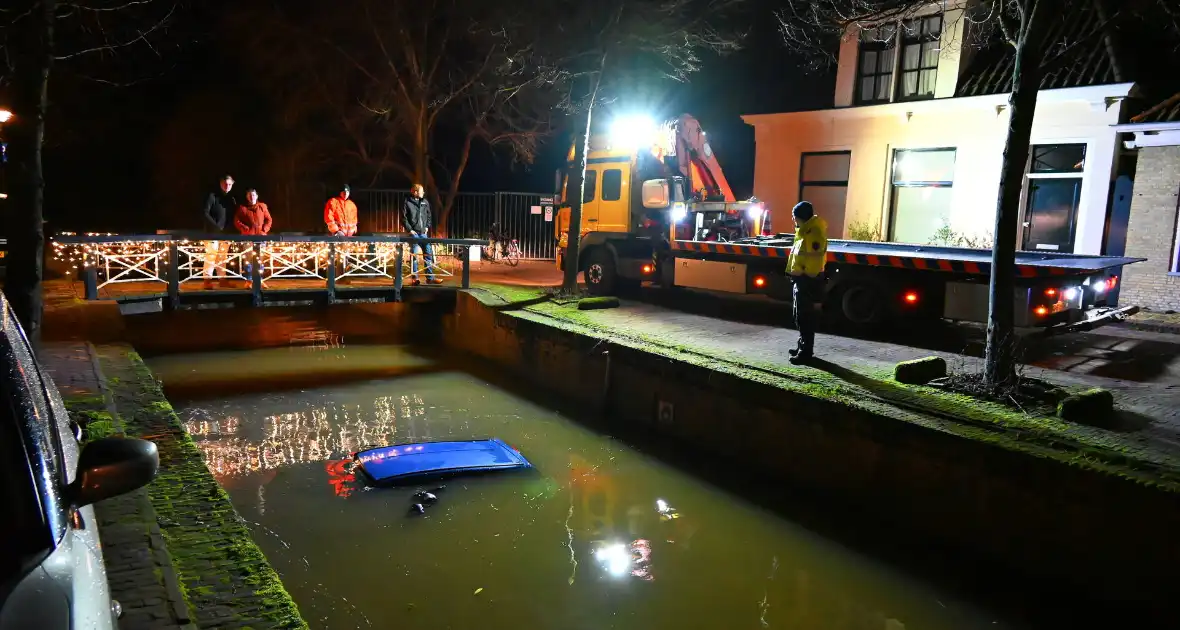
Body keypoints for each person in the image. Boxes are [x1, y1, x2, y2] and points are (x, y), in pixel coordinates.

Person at [786, 201, 828, 364]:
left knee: (805, 317)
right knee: (800, 316)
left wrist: (804, 275)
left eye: (794, 217)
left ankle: (805, 353)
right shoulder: (805, 231)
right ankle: (801, 346)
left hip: (807, 280)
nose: (793, 220)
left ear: (801, 217)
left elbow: (814, 261)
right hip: (802, 278)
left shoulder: (813, 232)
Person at [201, 175, 237, 290]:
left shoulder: (231, 199)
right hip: (212, 232)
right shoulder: (212, 196)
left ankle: (222, 279)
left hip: (226, 233)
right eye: (225, 184)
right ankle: (207, 281)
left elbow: (234, 216)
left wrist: (231, 229)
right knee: (211, 255)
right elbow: (205, 212)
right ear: (220, 183)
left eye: (230, 184)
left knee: (222, 257)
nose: (227, 186)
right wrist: (215, 227)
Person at [403, 184, 442, 285]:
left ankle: (430, 278)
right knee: (414, 255)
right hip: (414, 233)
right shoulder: (407, 202)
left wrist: (427, 227)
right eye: (421, 191)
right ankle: (414, 278)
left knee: (428, 254)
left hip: (423, 233)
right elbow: (404, 218)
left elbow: (429, 215)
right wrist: (410, 230)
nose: (423, 193)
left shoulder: (425, 202)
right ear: (415, 192)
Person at [235, 188, 273, 288]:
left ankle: (259, 280)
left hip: (261, 237)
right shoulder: (242, 208)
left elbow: (269, 219)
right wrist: (245, 228)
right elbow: (237, 221)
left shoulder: (262, 206)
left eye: (253, 195)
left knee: (260, 259)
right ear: (247, 197)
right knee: (248, 259)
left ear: (256, 196)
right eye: (249, 195)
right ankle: (249, 281)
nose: (252, 197)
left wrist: (264, 229)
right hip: (248, 237)